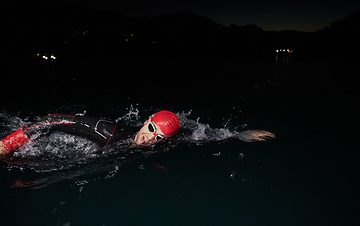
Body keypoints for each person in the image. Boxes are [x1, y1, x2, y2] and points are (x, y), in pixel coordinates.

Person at [0, 110, 275, 155]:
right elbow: (54, 120)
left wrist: (242, 135)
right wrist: (6, 145)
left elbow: (208, 137)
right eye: (150, 128)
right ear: (145, 121)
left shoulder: (167, 141)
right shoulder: (108, 132)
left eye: (158, 138)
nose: (149, 138)